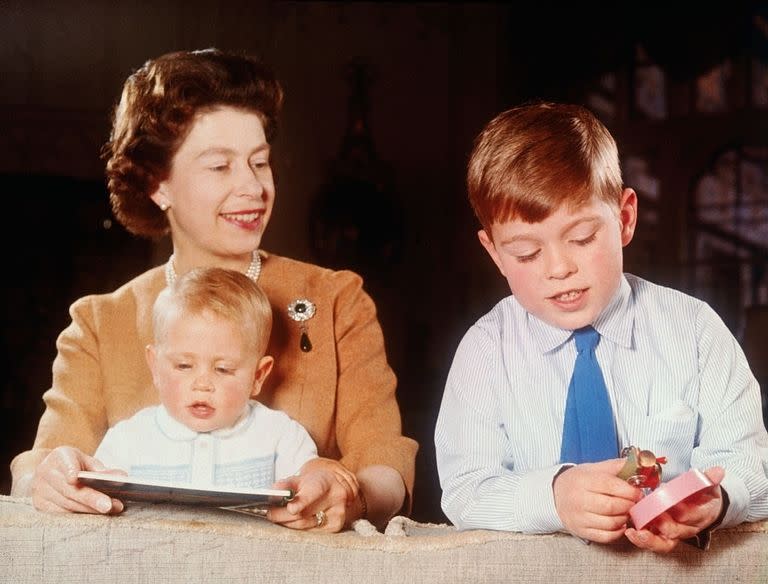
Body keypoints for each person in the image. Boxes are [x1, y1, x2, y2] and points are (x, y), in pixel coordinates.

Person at [11, 48, 418, 533]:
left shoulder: (335, 299)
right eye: (220, 167)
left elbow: (385, 465)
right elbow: (40, 465)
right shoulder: (100, 322)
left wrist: (352, 495)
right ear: (158, 184)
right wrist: (47, 478)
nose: (253, 188)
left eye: (260, 162)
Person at [434, 101, 768, 553]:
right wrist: (554, 497)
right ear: (494, 253)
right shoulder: (484, 351)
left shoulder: (695, 331)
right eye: (526, 253)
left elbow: (750, 463)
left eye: (582, 238)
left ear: (625, 218)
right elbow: (464, 490)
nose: (558, 268)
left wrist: (718, 500)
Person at [93, 267, 319, 493]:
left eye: (222, 369)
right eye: (184, 366)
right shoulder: (126, 442)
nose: (202, 385)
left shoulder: (281, 437)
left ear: (257, 377)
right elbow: (91, 506)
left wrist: (313, 487)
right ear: (155, 366)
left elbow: (314, 492)